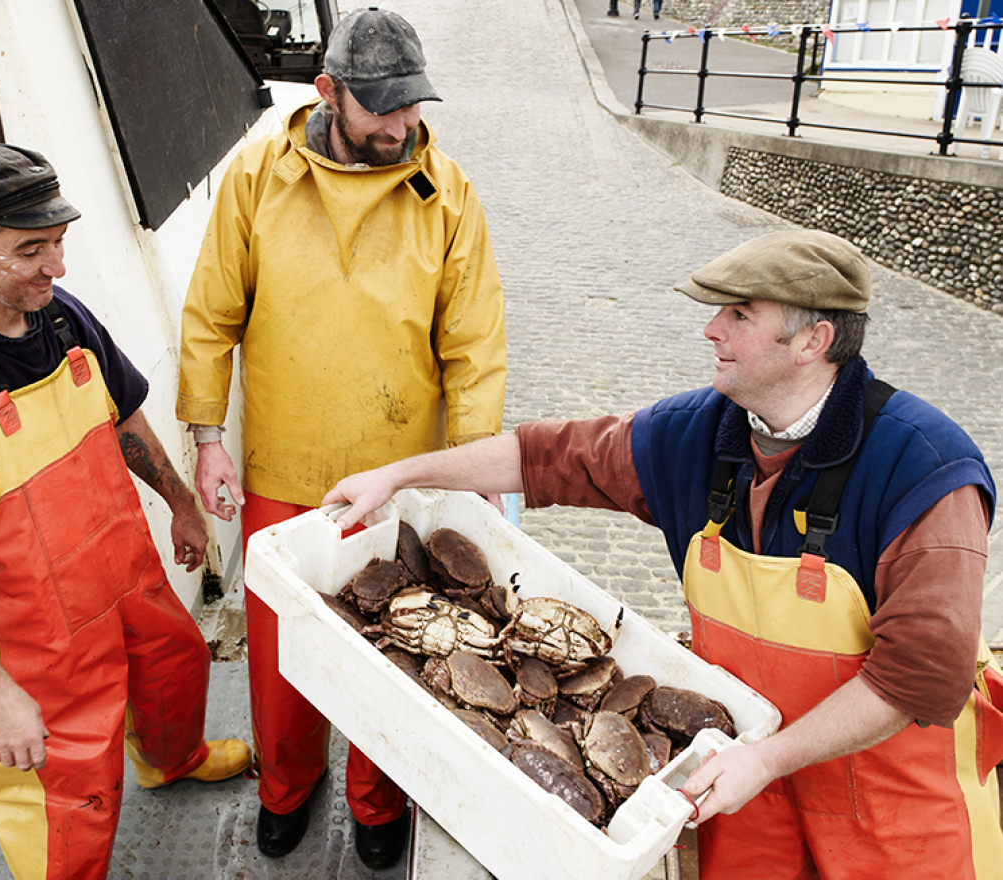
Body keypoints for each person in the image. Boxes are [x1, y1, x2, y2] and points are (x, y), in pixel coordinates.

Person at [324, 230, 1003, 880]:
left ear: (813, 341)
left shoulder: (924, 469)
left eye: (738, 314)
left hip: (891, 801)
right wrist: (402, 475)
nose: (712, 330)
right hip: (743, 780)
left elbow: (920, 681)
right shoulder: (702, 433)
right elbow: (547, 456)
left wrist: (772, 758)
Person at [176, 6, 507, 870]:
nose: (403, 126)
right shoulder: (257, 175)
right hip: (284, 463)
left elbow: (474, 344)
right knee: (284, 650)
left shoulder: (448, 192)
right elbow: (212, 314)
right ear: (329, 92)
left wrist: (472, 473)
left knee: (391, 647)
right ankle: (286, 787)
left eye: (414, 107)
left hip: (400, 470)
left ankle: (377, 799)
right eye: (382, 109)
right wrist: (208, 435)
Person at [0, 144, 252, 880]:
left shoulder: (57, 315)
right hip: (34, 639)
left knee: (175, 669)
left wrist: (180, 505)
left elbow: (125, 414)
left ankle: (175, 761)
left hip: (123, 575)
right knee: (67, 799)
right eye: (30, 249)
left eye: (60, 242)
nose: (58, 267)